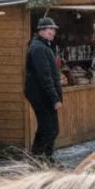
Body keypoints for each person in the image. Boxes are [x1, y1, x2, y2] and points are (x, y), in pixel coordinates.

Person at [24, 16, 63, 161]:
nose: (53, 32)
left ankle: (42, 157)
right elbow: (45, 76)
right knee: (50, 129)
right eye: (50, 29)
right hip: (41, 94)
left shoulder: (43, 45)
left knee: (48, 128)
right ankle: (40, 158)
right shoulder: (38, 48)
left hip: (43, 94)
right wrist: (55, 98)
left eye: (54, 30)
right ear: (41, 31)